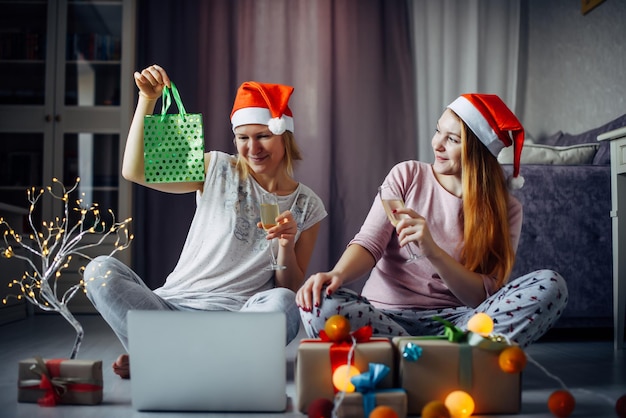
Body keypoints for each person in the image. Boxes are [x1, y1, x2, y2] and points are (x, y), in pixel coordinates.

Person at [85, 64, 327, 378]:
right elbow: (135, 170)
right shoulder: (217, 167)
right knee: (99, 270)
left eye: (263, 136)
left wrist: (286, 246)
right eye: (243, 137)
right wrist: (147, 100)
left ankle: (162, 356)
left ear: (284, 135)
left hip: (237, 318)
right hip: (170, 309)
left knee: (283, 302)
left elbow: (291, 289)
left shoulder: (307, 204)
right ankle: (200, 360)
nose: (252, 148)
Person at [296, 93, 567, 348]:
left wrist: (433, 251)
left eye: (452, 139)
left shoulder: (508, 209)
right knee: (321, 305)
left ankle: (404, 355)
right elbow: (369, 243)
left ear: (478, 151)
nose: (437, 144)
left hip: (460, 322)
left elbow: (482, 295)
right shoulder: (407, 175)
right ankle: (445, 357)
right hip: (384, 317)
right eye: (439, 131)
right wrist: (336, 275)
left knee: (550, 285)